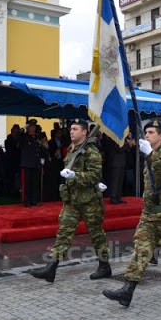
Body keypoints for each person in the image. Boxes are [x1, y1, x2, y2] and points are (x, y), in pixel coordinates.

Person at [102, 121, 161, 307]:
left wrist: (150, 155)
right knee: (140, 250)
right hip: (149, 214)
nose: (147, 135)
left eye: (151, 132)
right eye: (146, 132)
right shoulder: (147, 154)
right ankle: (128, 290)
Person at [31, 119, 110, 282]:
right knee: (64, 233)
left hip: (90, 201)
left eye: (75, 129)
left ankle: (104, 266)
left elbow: (94, 176)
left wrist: (75, 176)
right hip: (72, 200)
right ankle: (51, 267)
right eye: (71, 129)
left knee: (97, 234)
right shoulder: (73, 150)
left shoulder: (91, 151)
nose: (71, 131)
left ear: (84, 132)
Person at [18, 121, 42, 206]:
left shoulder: (36, 137)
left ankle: (34, 200)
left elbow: (38, 150)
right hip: (27, 164)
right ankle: (26, 201)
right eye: (31, 127)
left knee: (34, 183)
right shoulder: (24, 137)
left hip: (35, 164)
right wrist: (23, 128)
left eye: (34, 127)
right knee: (27, 184)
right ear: (28, 128)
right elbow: (18, 138)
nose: (33, 128)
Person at [103, 133, 128, 204]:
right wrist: (128, 144)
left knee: (120, 180)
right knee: (115, 180)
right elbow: (119, 148)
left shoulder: (121, 137)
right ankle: (113, 197)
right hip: (115, 162)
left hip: (121, 161)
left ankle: (118, 196)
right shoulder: (114, 137)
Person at [4, 124, 22, 196]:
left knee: (18, 178)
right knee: (11, 178)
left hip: (18, 161)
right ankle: (10, 192)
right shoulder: (8, 140)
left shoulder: (20, 139)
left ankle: (17, 191)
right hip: (10, 162)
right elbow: (11, 151)